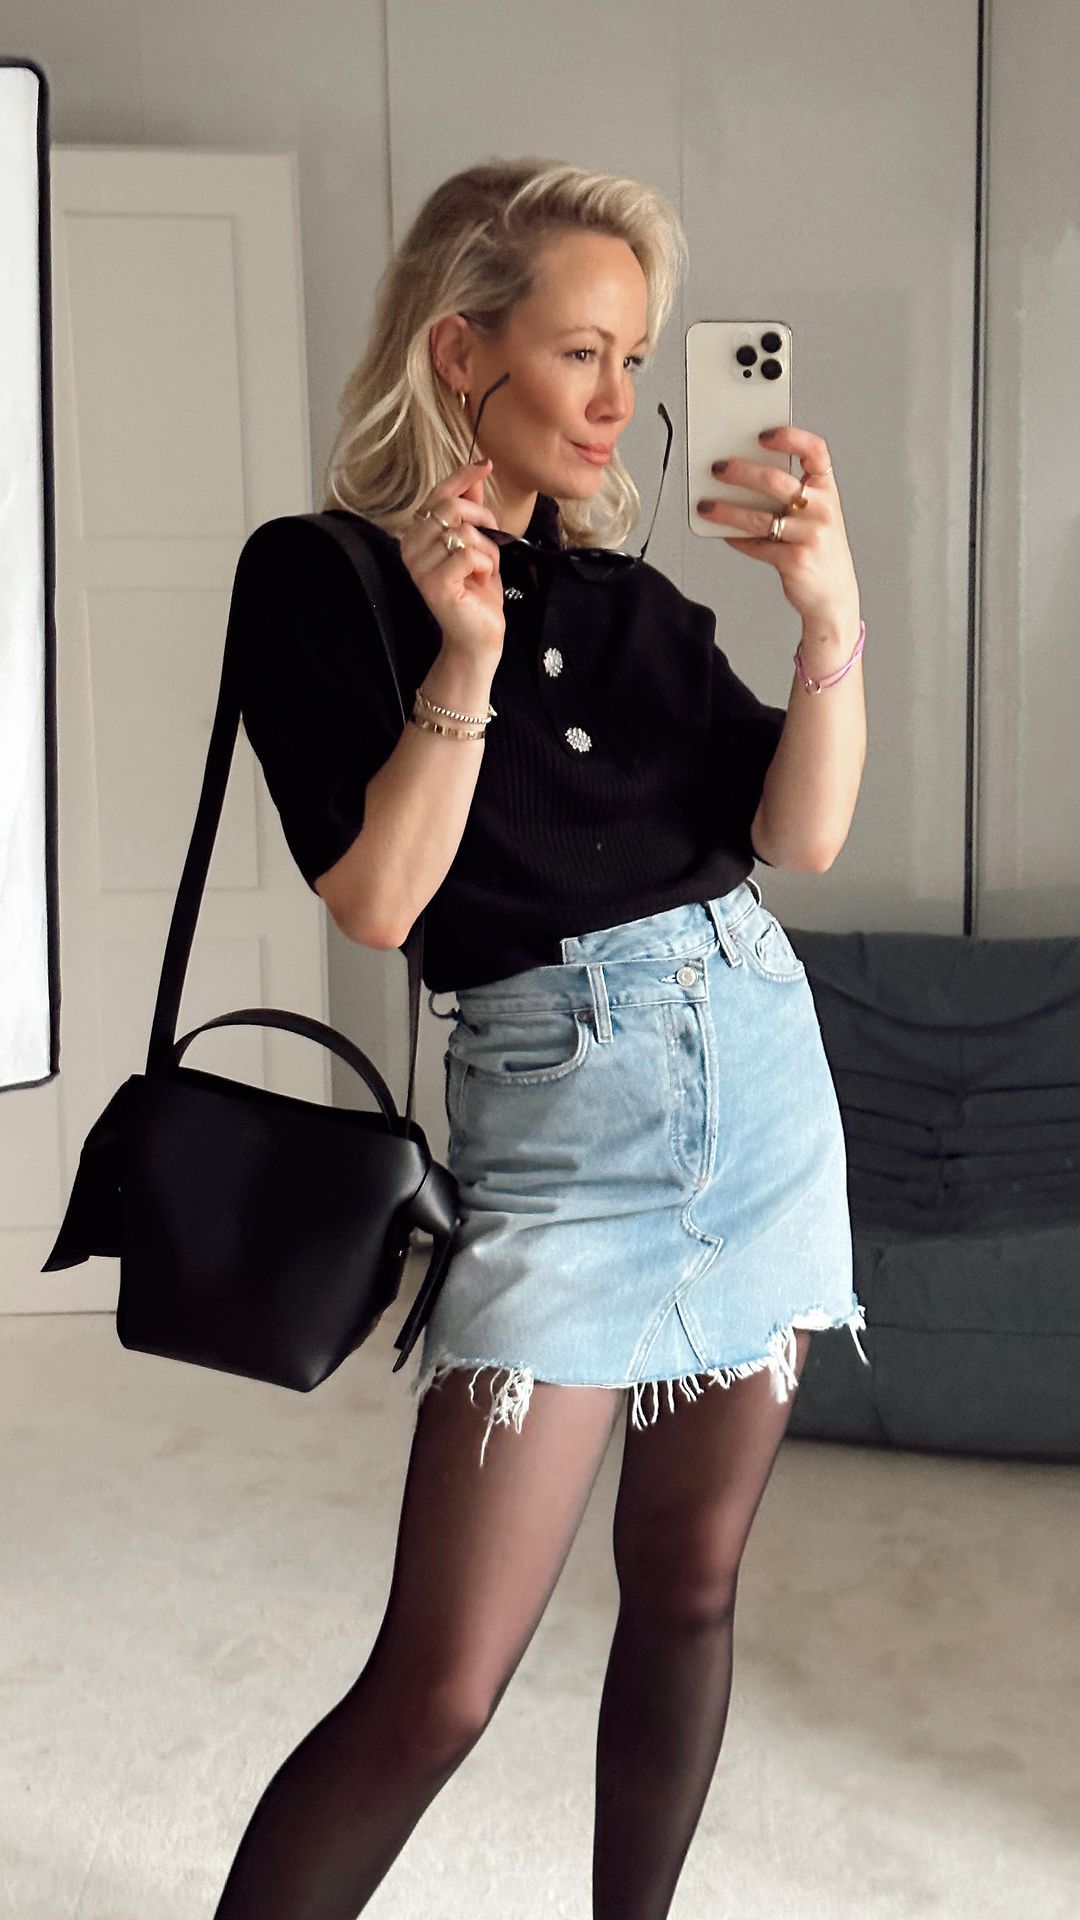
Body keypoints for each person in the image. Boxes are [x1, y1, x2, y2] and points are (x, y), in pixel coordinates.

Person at [211, 155, 870, 1919]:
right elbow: (378, 901)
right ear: (460, 351)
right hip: (563, 1124)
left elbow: (800, 837)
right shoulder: (319, 579)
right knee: (437, 1688)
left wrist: (828, 619)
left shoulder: (637, 602)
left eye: (635, 360)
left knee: (693, 1586)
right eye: (582, 351)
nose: (618, 400)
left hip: (758, 1086)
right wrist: (464, 664)